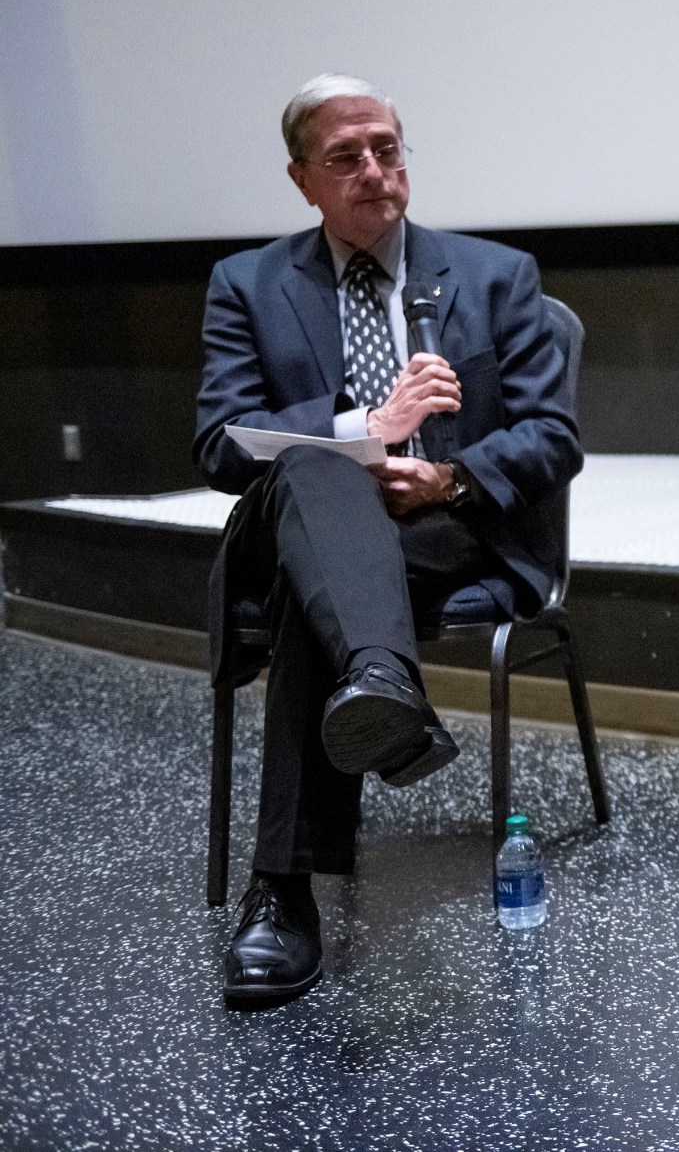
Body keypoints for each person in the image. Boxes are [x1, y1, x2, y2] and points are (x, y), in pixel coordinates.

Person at [196, 74, 581, 1008]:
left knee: (306, 591)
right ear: (301, 179)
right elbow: (217, 443)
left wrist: (446, 476)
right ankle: (382, 683)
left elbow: (552, 436)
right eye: (345, 158)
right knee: (318, 476)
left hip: (448, 529)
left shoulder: (496, 275)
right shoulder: (247, 284)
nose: (375, 172)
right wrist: (366, 423)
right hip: (305, 524)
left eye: (388, 149)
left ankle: (282, 892)